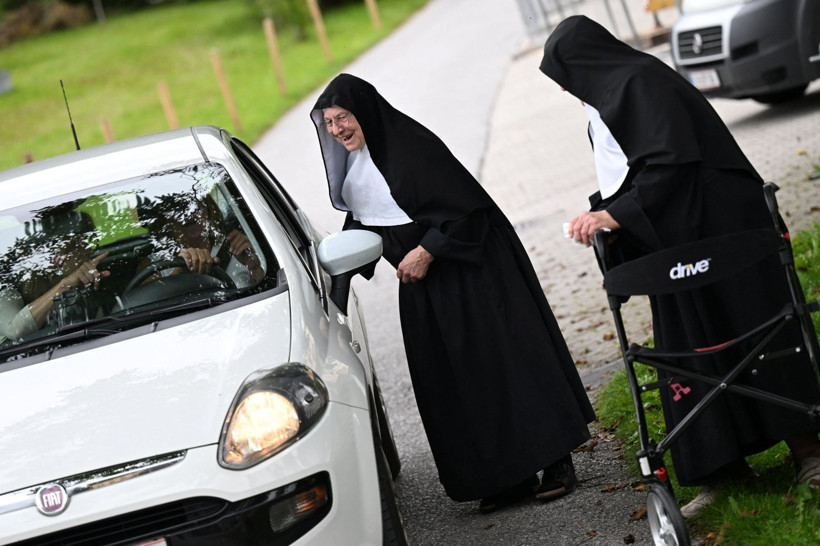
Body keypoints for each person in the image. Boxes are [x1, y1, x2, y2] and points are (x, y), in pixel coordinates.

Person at [539, 15, 820, 517]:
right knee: (687, 350)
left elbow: (673, 163)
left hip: (722, 228)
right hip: (674, 236)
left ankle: (809, 452)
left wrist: (612, 213)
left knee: (758, 330)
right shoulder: (607, 103)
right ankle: (723, 469)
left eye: (567, 78)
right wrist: (604, 217)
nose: (569, 90)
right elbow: (632, 174)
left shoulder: (640, 83)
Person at [310, 73, 596, 512]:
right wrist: (327, 276)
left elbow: (468, 214)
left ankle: (557, 461)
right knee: (460, 384)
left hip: (475, 275)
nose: (336, 130)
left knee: (509, 365)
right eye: (328, 123)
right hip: (425, 290)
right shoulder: (358, 171)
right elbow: (363, 229)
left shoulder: (412, 150)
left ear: (364, 112)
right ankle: (505, 477)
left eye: (343, 117)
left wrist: (427, 250)